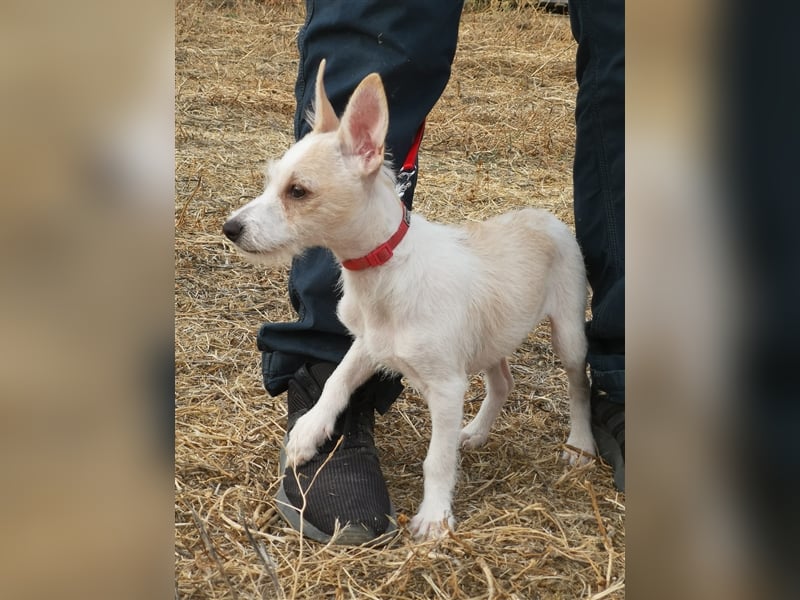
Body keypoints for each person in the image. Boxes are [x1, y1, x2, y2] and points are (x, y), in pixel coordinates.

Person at [257, 0, 624, 545]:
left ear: (366, 151)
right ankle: (321, 388)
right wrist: (331, 399)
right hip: (422, 287)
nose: (258, 213)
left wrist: (435, 495)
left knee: (569, 353)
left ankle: (594, 403)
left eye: (297, 193)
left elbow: (446, 385)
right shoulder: (368, 288)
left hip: (541, 255)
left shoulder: (435, 280)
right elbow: (376, 340)